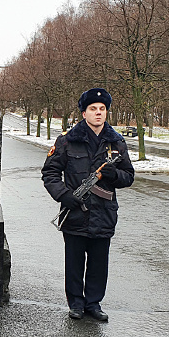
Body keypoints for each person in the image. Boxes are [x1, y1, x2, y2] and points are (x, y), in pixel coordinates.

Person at [42, 88, 135, 321]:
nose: (98, 113)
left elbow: (129, 177)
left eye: (102, 109)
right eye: (93, 109)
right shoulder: (67, 141)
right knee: (74, 261)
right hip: (75, 211)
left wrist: (114, 175)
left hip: (104, 212)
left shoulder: (116, 143)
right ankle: (75, 302)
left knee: (98, 262)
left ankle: (93, 303)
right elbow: (50, 173)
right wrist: (64, 195)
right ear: (84, 113)